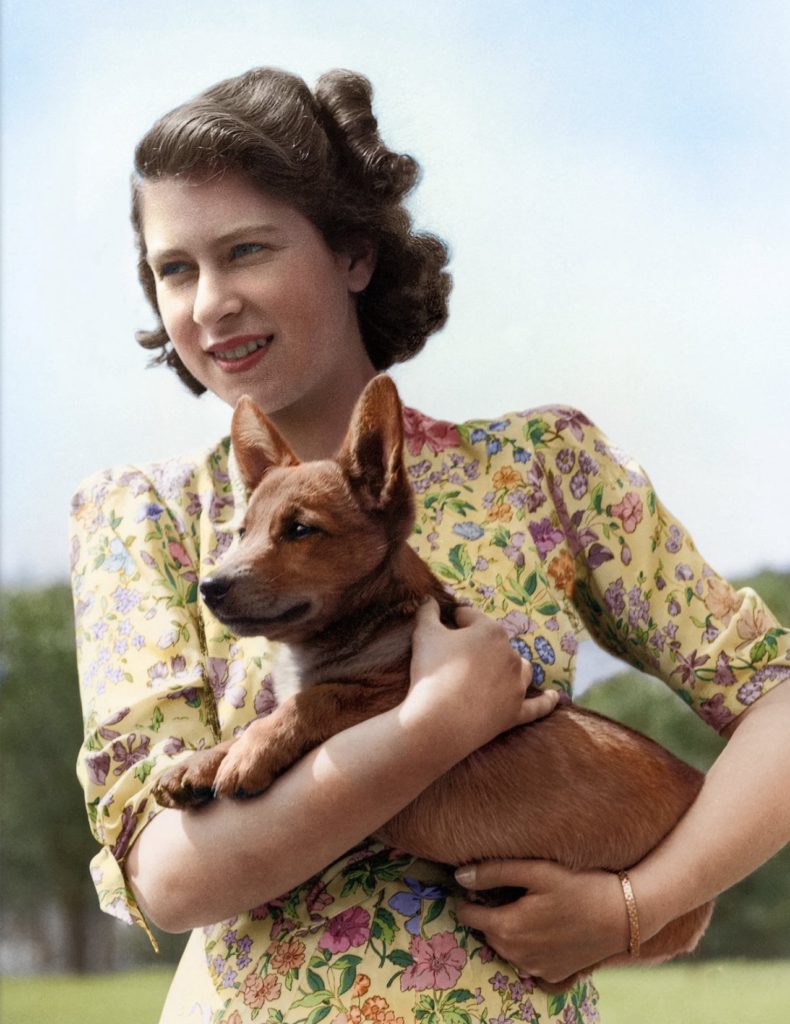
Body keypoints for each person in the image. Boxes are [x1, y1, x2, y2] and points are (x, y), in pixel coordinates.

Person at [70, 67, 790, 1024]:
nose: (210, 303)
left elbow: (776, 704)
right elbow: (171, 879)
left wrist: (634, 908)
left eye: (247, 251)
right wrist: (436, 724)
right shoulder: (148, 518)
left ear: (355, 254)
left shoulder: (543, 469)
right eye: (174, 269)